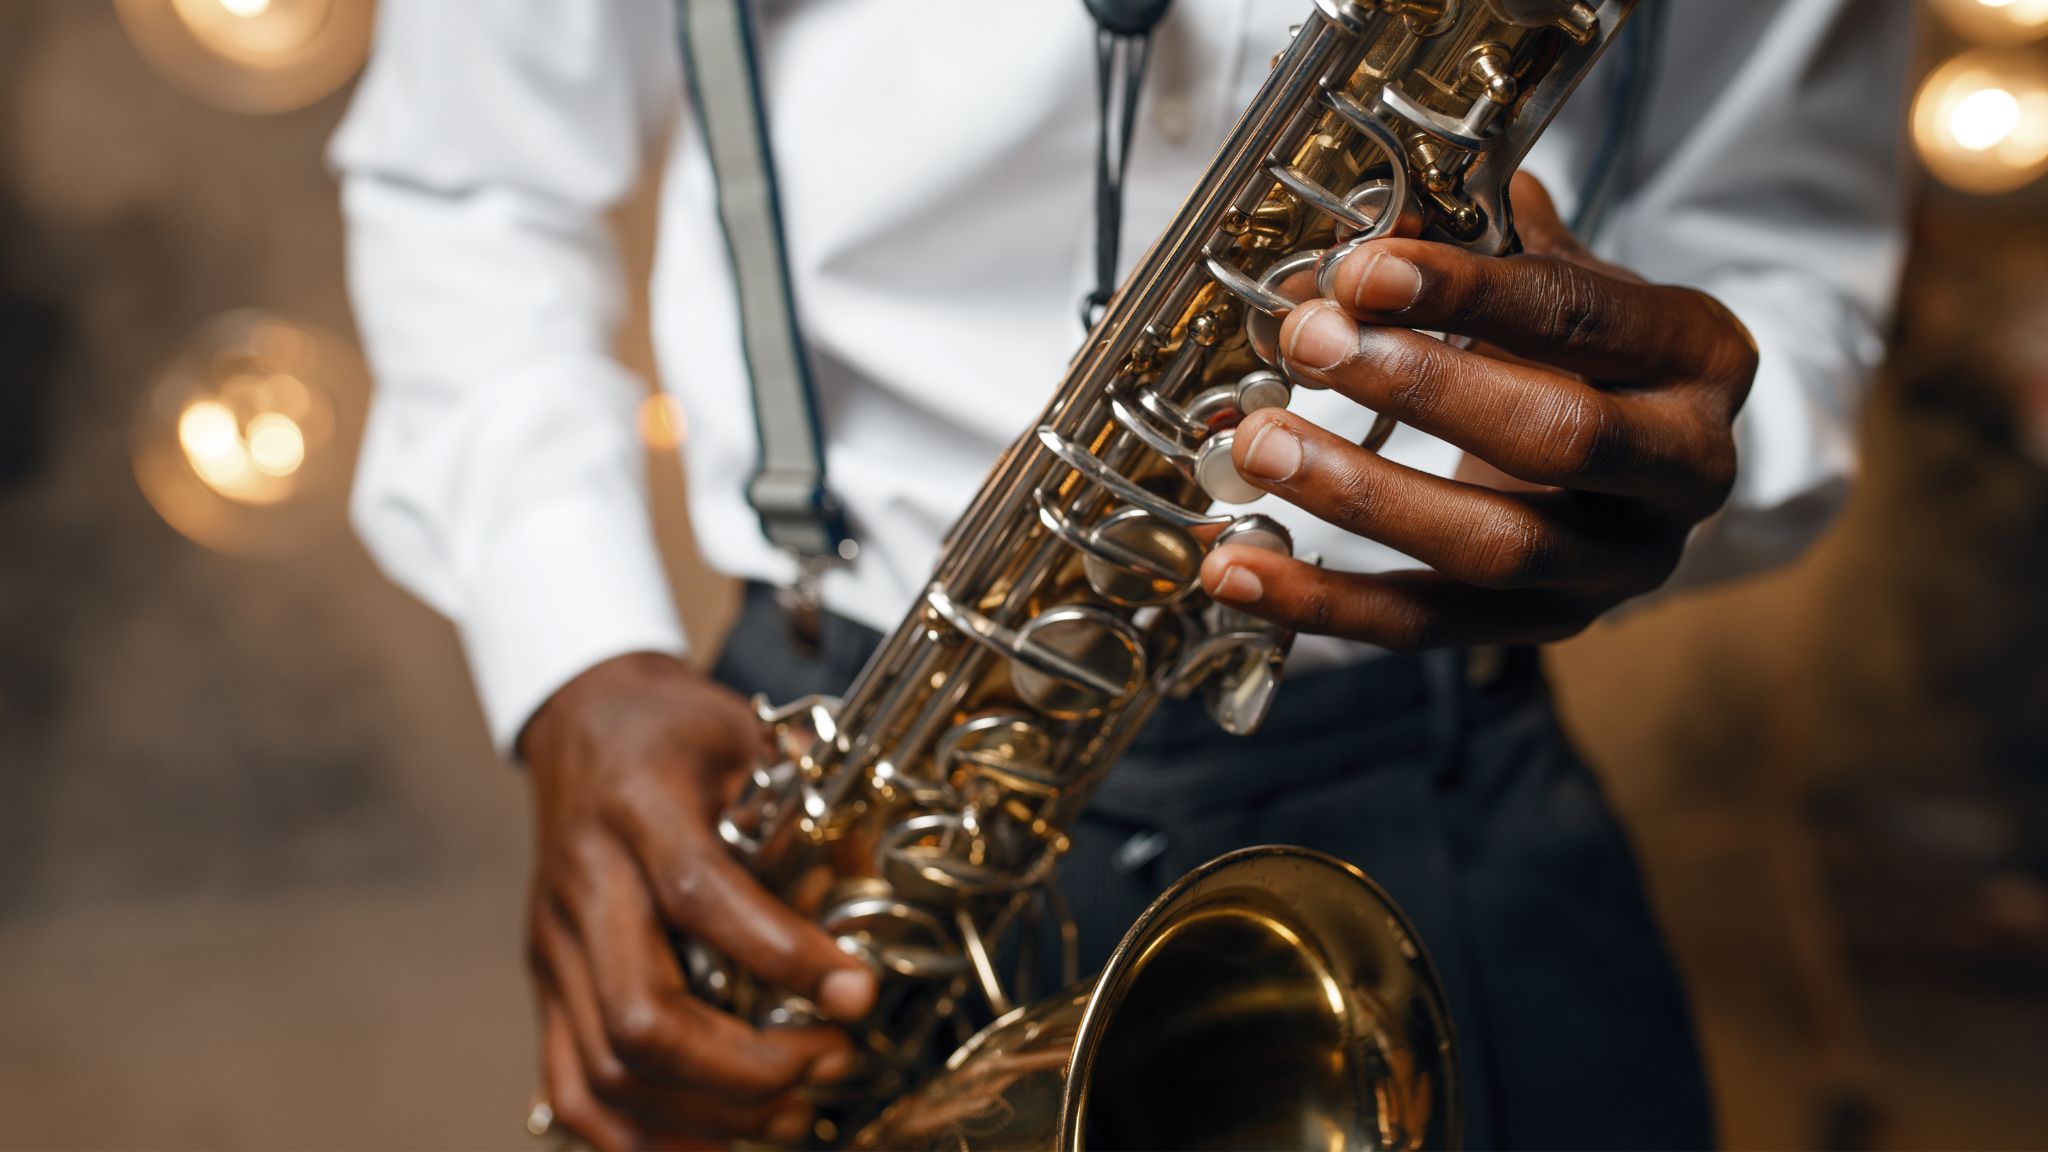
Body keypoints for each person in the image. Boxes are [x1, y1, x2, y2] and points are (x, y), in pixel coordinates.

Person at [332, 2, 1912, 1147]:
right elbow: (464, 177)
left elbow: (1783, 258)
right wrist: (576, 654)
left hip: (1444, 793)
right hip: (850, 787)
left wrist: (1700, 441)